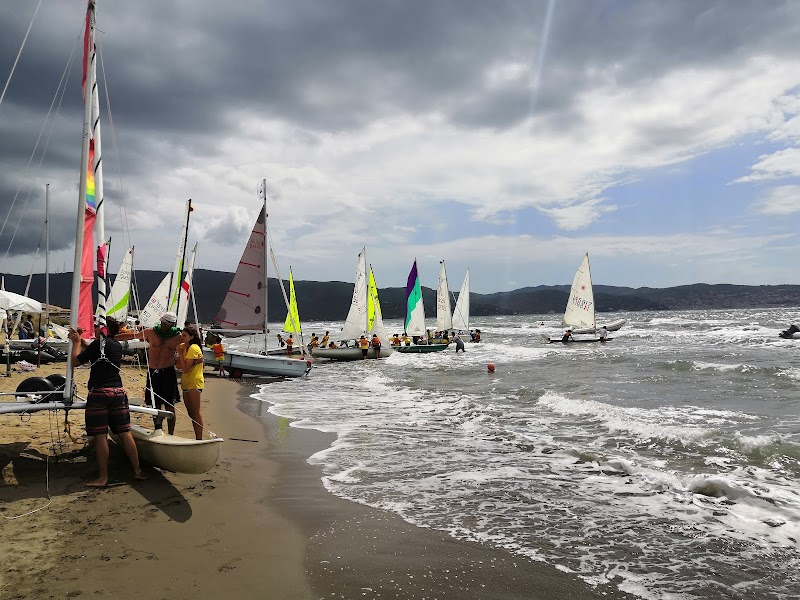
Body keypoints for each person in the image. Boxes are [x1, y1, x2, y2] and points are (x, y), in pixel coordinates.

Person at [68, 317, 145, 487]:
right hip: (118, 392)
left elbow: (75, 362)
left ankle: (103, 478)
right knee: (125, 433)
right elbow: (96, 352)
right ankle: (137, 471)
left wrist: (75, 343)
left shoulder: (98, 345)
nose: (94, 329)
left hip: (100, 394)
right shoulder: (116, 345)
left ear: (103, 330)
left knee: (100, 436)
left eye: (96, 327)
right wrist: (81, 340)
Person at [117, 311, 183, 434]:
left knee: (169, 405)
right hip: (153, 372)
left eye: (167, 324)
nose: (164, 326)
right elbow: (133, 336)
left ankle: (171, 433)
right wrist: (112, 337)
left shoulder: (178, 336)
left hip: (168, 372)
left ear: (172, 325)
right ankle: (158, 429)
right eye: (163, 323)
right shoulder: (151, 332)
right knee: (155, 403)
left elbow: (191, 344)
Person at [176, 324, 205, 440]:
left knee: (195, 413)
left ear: (191, 337)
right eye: (182, 335)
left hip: (194, 382)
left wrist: (180, 354)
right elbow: (179, 365)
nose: (182, 337)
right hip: (186, 382)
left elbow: (185, 369)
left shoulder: (193, 348)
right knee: (190, 413)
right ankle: (197, 437)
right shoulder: (184, 347)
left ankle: (199, 438)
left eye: (184, 335)